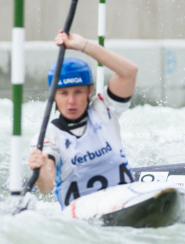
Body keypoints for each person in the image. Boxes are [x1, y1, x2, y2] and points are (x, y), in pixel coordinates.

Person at [28, 31, 138, 209]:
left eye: (78, 92)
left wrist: (85, 46)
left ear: (89, 91)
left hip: (126, 205)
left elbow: (129, 72)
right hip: (83, 225)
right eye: (64, 93)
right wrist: (40, 169)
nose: (71, 101)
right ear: (53, 96)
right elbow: (46, 187)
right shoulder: (48, 136)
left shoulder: (104, 110)